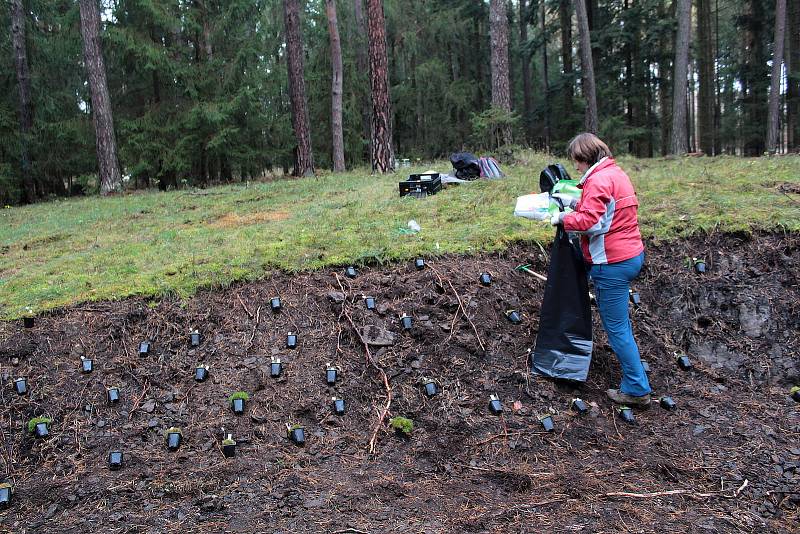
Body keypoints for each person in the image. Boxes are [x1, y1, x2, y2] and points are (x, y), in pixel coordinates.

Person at [550, 133, 651, 406]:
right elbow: (605, 211)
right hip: (631, 254)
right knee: (621, 325)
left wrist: (560, 217)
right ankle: (637, 381)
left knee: (617, 328)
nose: (577, 167)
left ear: (586, 157)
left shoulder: (598, 179)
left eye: (577, 161)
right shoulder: (615, 173)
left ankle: (637, 389)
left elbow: (590, 223)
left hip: (612, 263)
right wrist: (574, 204)